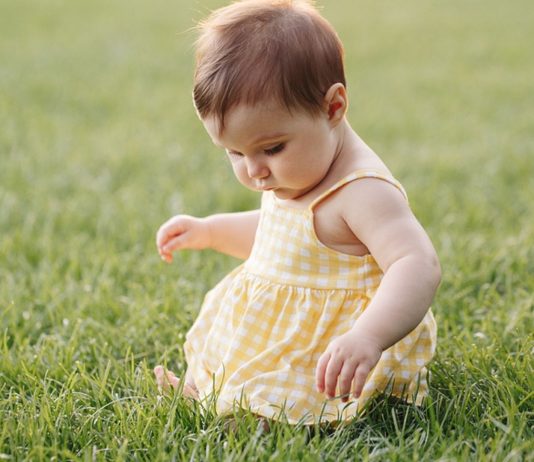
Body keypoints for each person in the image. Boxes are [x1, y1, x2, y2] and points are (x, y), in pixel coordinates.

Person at [154, 0, 441, 426]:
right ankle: (215, 393)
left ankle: (253, 416)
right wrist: (210, 231)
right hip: (286, 334)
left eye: (272, 148)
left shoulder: (362, 191)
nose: (254, 171)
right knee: (244, 369)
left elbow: (417, 263)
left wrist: (368, 336)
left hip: (335, 351)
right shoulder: (298, 170)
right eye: (234, 152)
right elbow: (284, 235)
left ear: (332, 108)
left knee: (278, 400)